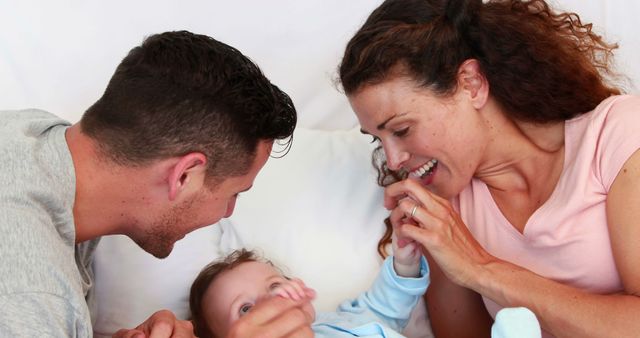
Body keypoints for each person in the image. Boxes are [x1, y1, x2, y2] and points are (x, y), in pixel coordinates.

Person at [338, 0, 640, 337]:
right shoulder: (443, 207)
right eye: (378, 140)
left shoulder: (617, 134)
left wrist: (481, 268)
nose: (394, 161)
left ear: (471, 84)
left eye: (402, 130)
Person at [0, 30, 314, 338]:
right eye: (233, 193)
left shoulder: (32, 133)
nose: (228, 212)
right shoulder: (30, 293)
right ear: (184, 176)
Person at [188, 232, 428, 338]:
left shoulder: (341, 321)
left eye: (274, 286)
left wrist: (405, 264)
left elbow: (383, 308)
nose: (272, 301)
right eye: (246, 309)